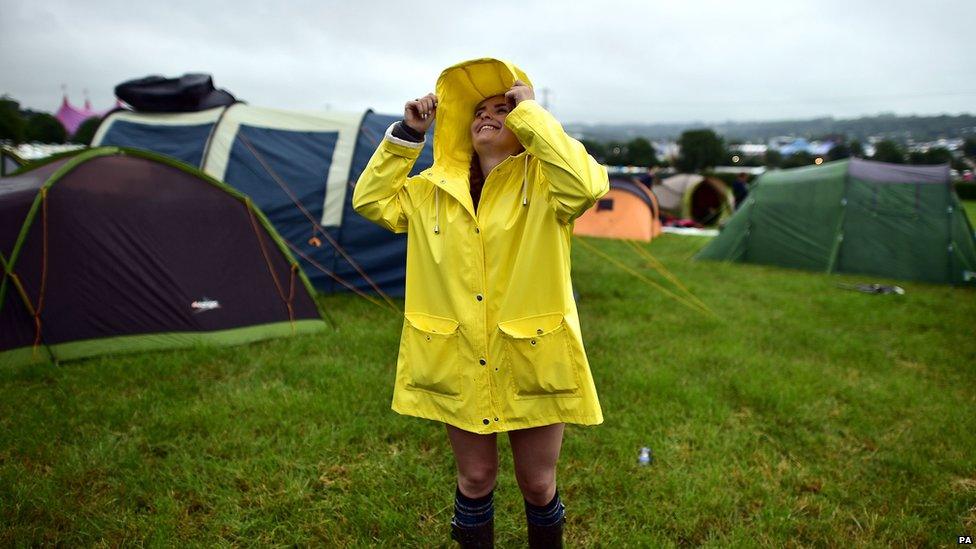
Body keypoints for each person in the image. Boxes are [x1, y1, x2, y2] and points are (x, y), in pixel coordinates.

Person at [353, 58, 608, 548]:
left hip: (533, 356)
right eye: (479, 110)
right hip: (459, 356)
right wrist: (408, 135)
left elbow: (588, 184)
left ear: (523, 126)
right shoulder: (430, 192)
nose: (489, 115)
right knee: (474, 480)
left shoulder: (549, 185)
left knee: (538, 484)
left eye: (503, 109)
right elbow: (371, 200)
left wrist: (531, 111)